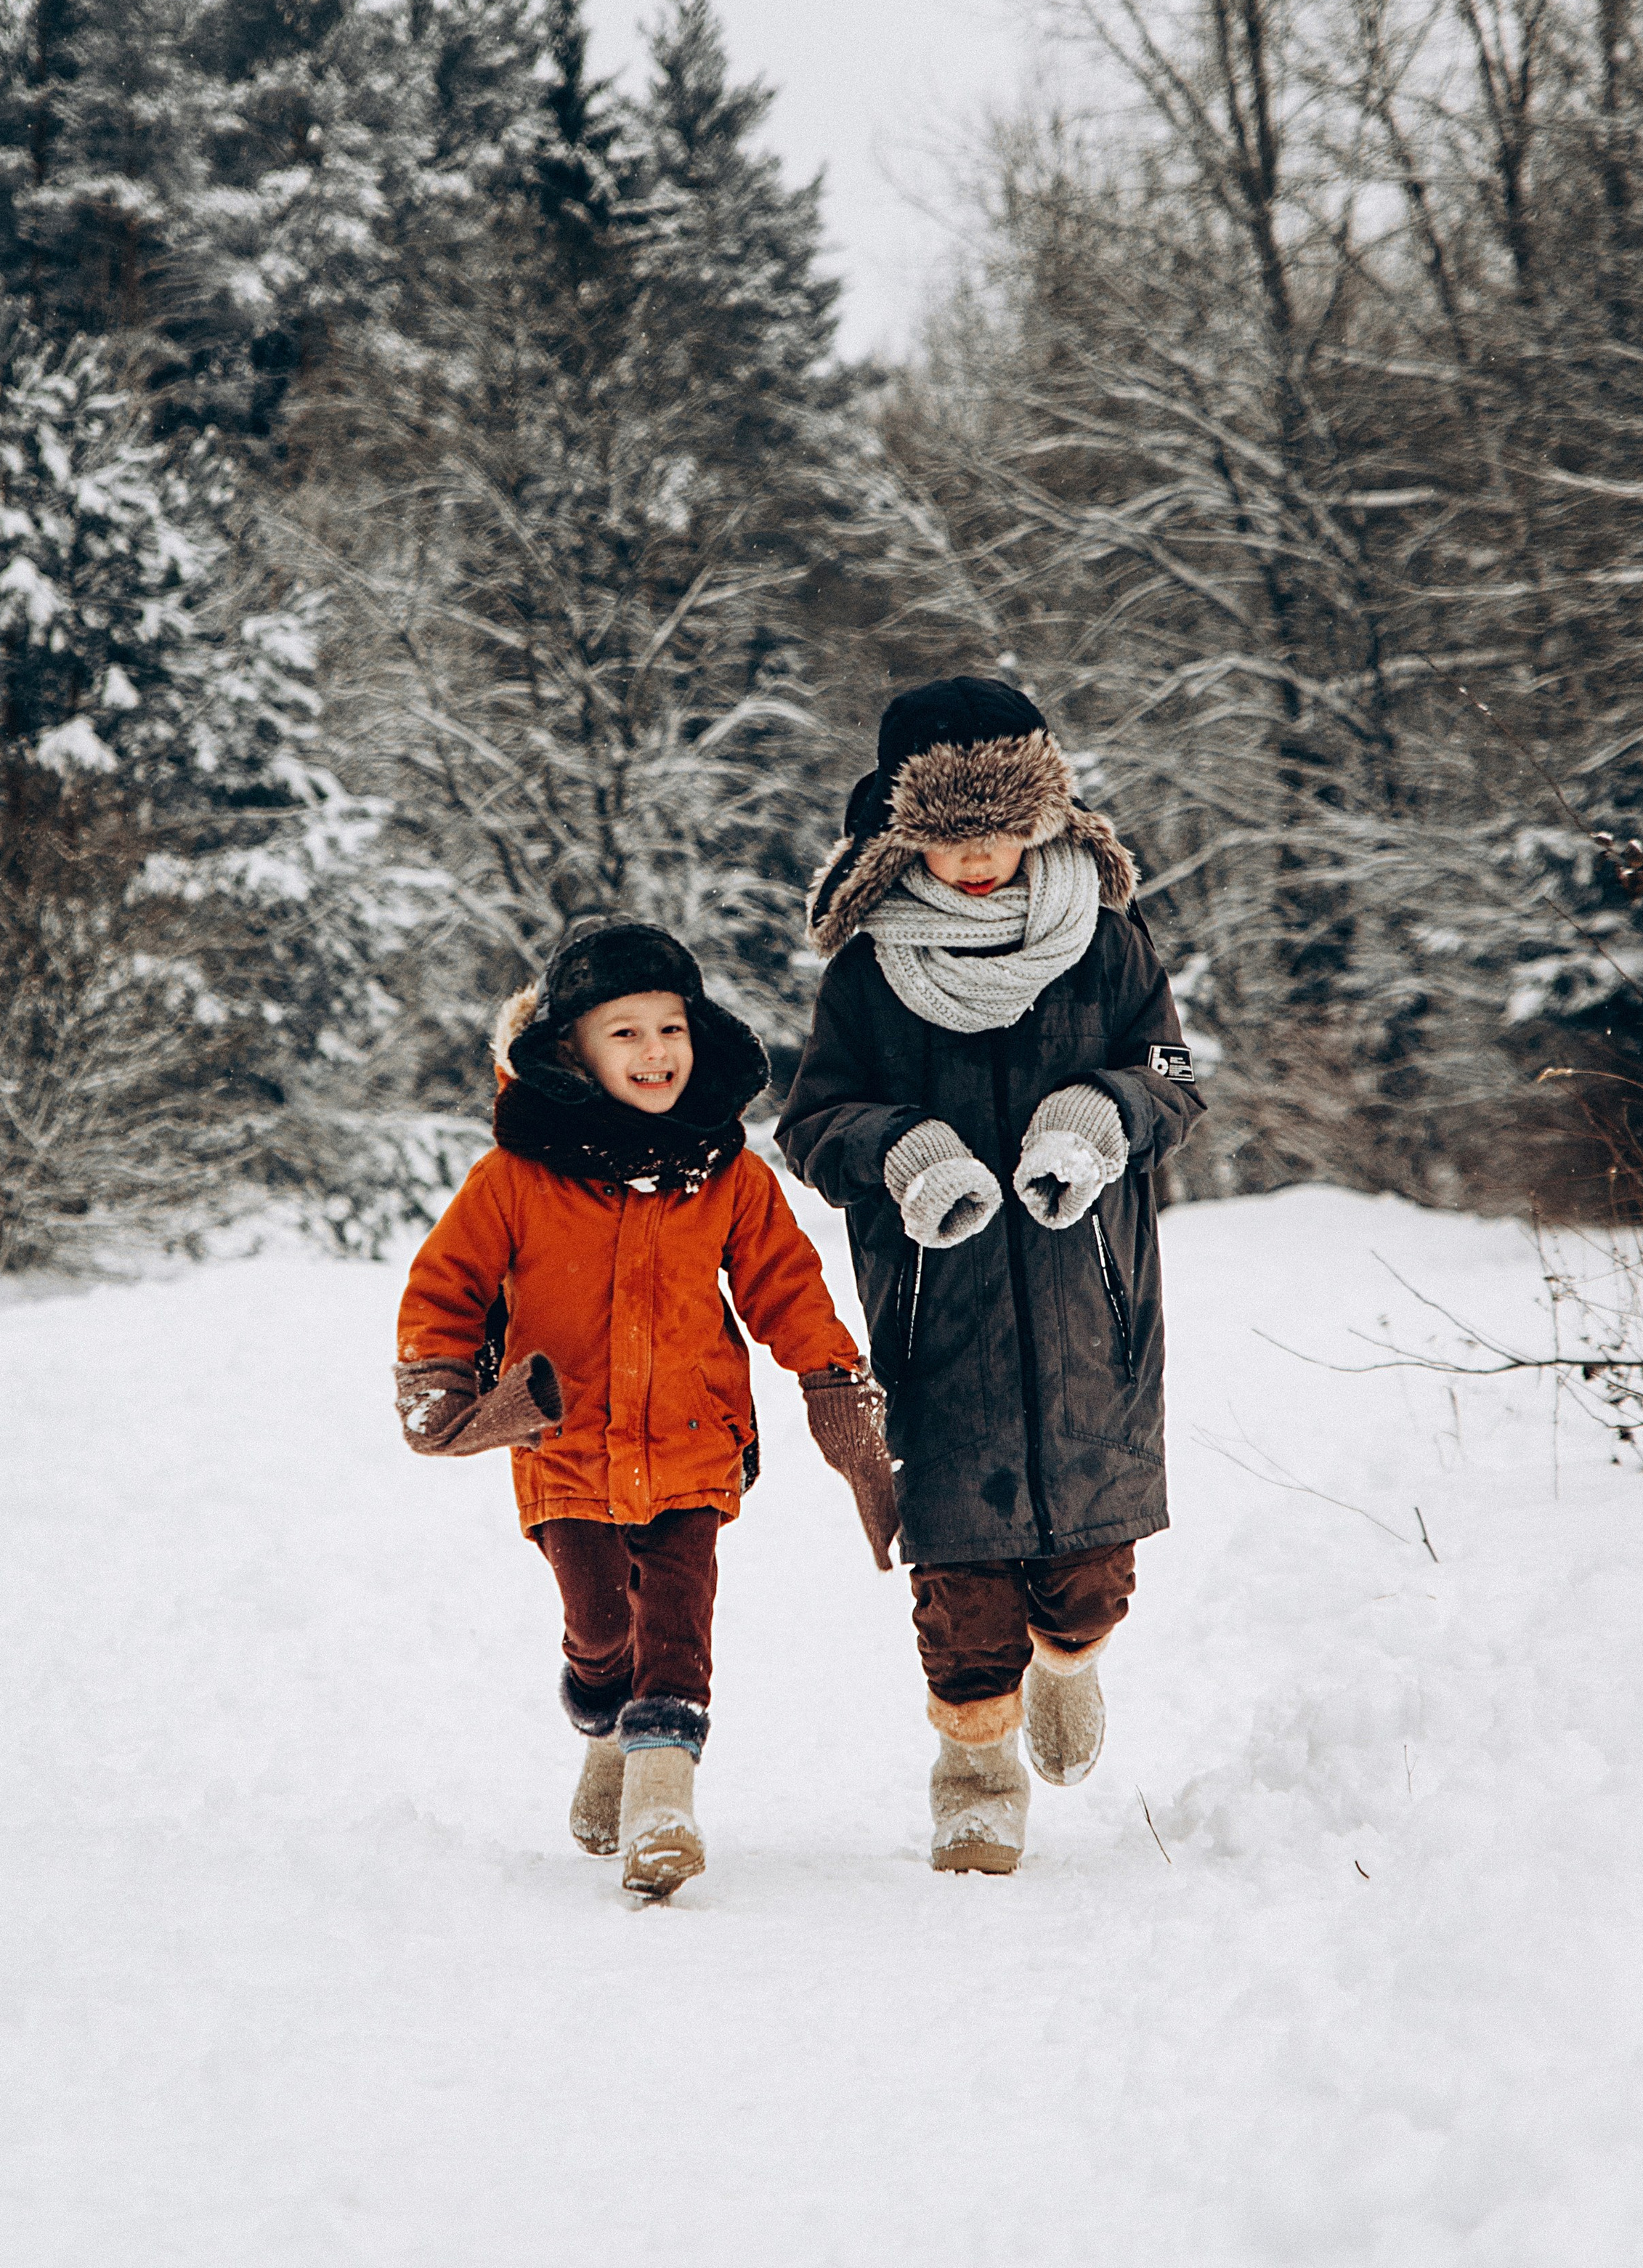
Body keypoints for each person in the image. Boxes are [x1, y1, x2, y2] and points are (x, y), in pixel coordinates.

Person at [776, 678, 1204, 1874]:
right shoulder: (867, 973)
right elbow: (813, 1122)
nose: (977, 859)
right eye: (950, 837)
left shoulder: (1109, 943)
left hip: (1091, 1314)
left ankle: (1070, 1659)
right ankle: (974, 1770)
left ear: (1044, 818)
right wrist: (900, 1153)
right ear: (902, 831)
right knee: (959, 1579)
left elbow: (1174, 1077)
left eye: (999, 832)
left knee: (1088, 1578)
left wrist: (1100, 1114)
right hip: (936, 1314)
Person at [394, 920, 894, 1900]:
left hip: (694, 1446)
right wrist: (440, 1380)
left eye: (672, 1028)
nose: (656, 1052)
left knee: (678, 1629)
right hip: (565, 1449)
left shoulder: (728, 1175)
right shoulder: (515, 1178)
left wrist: (833, 1380)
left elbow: (786, 1288)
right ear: (570, 1051)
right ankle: (604, 1728)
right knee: (597, 1631)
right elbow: (446, 1286)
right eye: (625, 1034)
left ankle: (663, 1806)